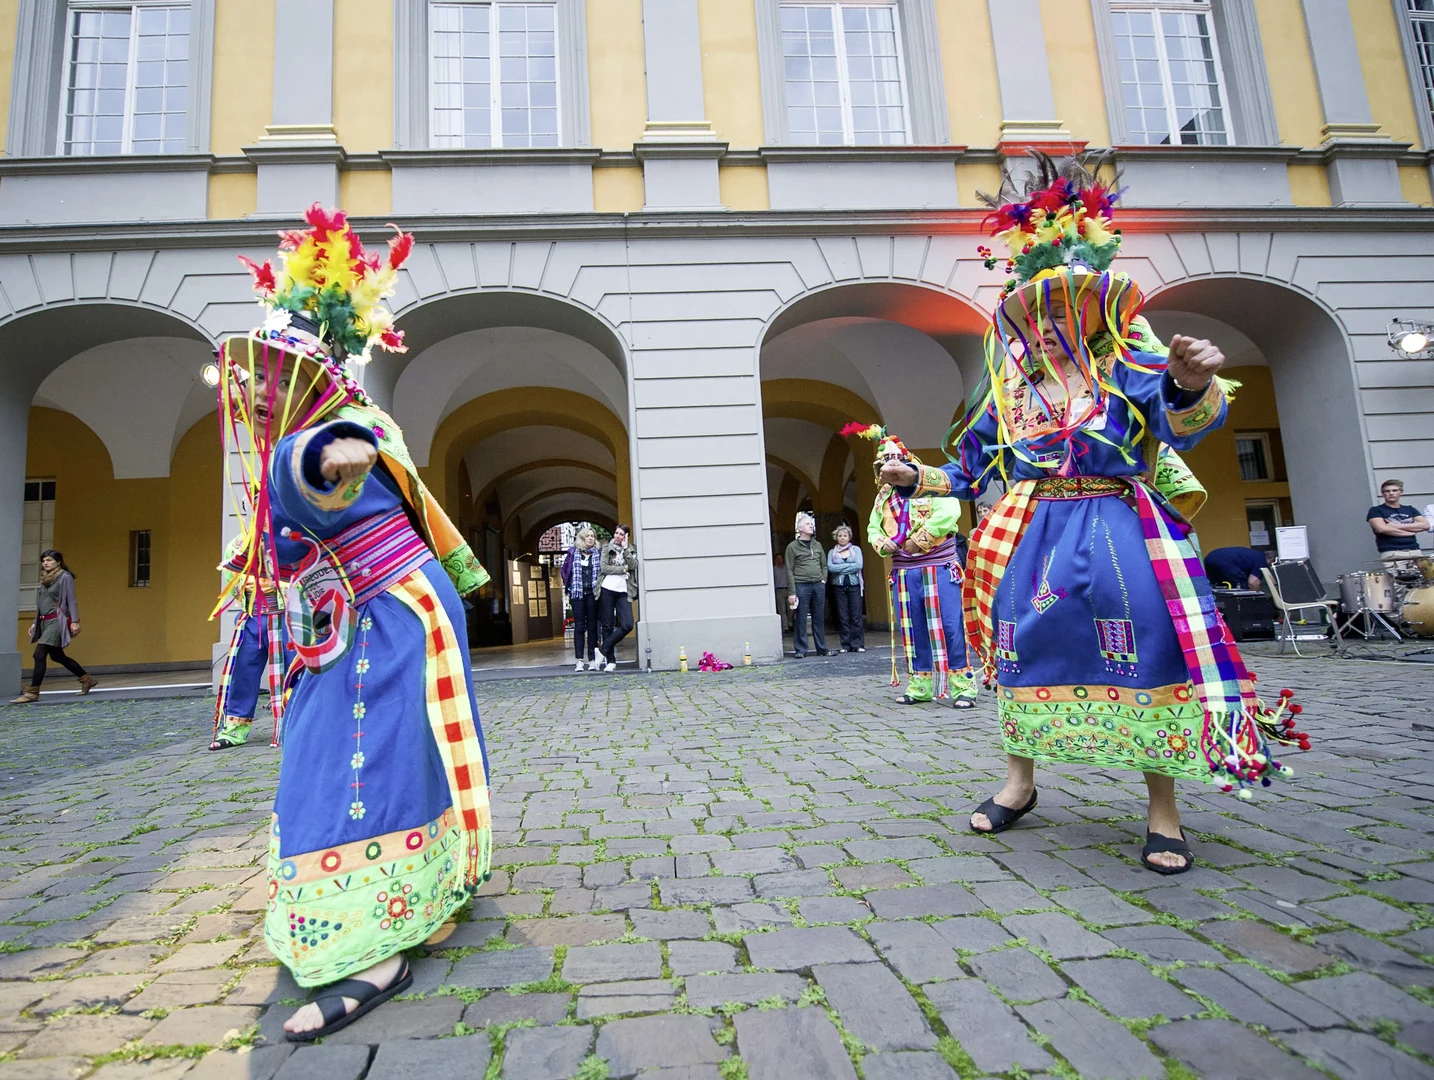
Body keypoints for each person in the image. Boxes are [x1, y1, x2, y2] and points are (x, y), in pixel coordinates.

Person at [882, 155, 1306, 874]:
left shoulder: (1129, 372)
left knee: (1147, 645)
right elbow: (969, 470)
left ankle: (1163, 810)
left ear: (1091, 313)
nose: (1043, 326)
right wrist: (913, 474)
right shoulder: (1010, 395)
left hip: (1120, 527)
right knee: (1017, 645)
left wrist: (1190, 380)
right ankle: (1020, 782)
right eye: (1032, 313)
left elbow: (1184, 422)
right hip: (1034, 530)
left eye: (1058, 311)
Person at [224, 204, 493, 1040]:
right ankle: (412, 894)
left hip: (384, 616)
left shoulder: (335, 431)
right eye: (257, 370)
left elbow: (329, 465)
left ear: (314, 379)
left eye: (275, 371)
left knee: (355, 758)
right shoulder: (320, 432)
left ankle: (373, 944)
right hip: (371, 614)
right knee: (377, 750)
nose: (258, 383)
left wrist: (327, 455)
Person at [848, 425, 977, 707]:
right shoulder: (883, 496)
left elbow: (950, 510)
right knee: (913, 627)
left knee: (951, 626)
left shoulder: (927, 484)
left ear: (907, 459)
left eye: (895, 457)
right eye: (884, 459)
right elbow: (872, 527)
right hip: (905, 572)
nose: (890, 463)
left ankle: (963, 686)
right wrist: (883, 542)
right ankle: (920, 685)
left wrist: (920, 538)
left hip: (939, 565)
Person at [211, 536, 286, 749]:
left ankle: (293, 725)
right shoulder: (238, 544)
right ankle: (235, 728)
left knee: (291, 673)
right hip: (252, 616)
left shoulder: (288, 536)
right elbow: (230, 575)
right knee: (242, 671)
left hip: (284, 615)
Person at [11, 550, 96, 703]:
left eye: (49, 560)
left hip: (57, 620)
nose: (46, 563)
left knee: (39, 654)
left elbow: (71, 600)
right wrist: (35, 622)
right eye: (43, 560)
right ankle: (86, 679)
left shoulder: (65, 577)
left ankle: (33, 692)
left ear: (58, 562)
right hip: (44, 621)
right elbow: (42, 602)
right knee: (57, 656)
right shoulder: (44, 578)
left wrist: (75, 621)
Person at [784, 512, 830, 657]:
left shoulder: (817, 545)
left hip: (818, 585)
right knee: (801, 618)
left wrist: (823, 579)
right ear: (800, 529)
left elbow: (824, 564)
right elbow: (789, 570)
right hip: (801, 585)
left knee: (819, 618)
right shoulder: (792, 547)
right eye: (808, 524)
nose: (811, 526)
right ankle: (801, 650)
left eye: (812, 524)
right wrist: (792, 592)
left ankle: (822, 648)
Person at [596, 525, 637, 672]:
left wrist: (625, 549)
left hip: (623, 591)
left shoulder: (631, 549)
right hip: (607, 589)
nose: (618, 536)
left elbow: (633, 565)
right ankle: (610, 661)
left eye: (621, 534)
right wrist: (622, 569)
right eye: (616, 533)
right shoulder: (607, 548)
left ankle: (602, 650)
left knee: (627, 624)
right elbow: (604, 568)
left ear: (626, 536)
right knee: (607, 625)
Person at [561, 527, 602, 671]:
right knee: (579, 627)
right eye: (587, 536)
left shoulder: (598, 554)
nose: (591, 538)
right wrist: (570, 586)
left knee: (592, 627)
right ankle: (579, 660)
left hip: (593, 594)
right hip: (577, 595)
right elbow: (564, 570)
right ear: (582, 539)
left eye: (592, 536)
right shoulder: (573, 553)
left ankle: (592, 659)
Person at [1367, 479, 1429, 567]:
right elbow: (1381, 528)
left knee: (1424, 579)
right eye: (1387, 491)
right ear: (1383, 493)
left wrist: (1395, 526)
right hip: (1393, 552)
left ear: (1401, 492)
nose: (1391, 493)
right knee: (1397, 580)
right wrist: (1410, 532)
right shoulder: (1376, 510)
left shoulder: (1410, 509)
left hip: (1415, 551)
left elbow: (1425, 525)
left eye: (1394, 490)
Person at [828, 524, 865, 653]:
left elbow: (859, 565)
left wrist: (841, 569)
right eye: (840, 536)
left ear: (849, 537)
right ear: (836, 537)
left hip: (854, 586)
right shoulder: (832, 552)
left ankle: (858, 644)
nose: (842, 538)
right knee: (843, 616)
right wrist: (850, 566)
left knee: (856, 615)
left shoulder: (856, 550)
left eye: (845, 536)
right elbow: (831, 568)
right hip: (839, 587)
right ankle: (846, 644)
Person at [1203, 546, 1274, 592]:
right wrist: (1257, 597)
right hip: (1225, 562)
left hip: (1209, 558)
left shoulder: (1255, 555)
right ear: (1272, 560)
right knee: (1241, 586)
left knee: (1217, 587)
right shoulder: (1262, 560)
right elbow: (1253, 582)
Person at [772, 553, 791, 631]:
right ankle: (785, 627)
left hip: (788, 589)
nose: (780, 560)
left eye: (781, 558)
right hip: (779, 590)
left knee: (790, 609)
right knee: (782, 609)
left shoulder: (787, 568)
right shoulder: (773, 569)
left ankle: (790, 623)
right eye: (778, 559)